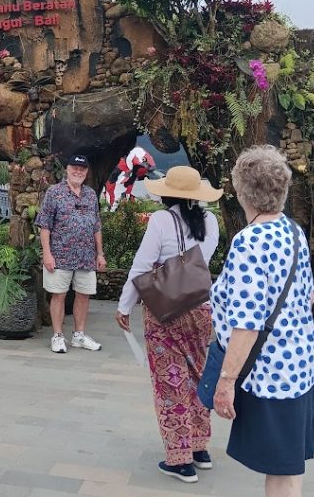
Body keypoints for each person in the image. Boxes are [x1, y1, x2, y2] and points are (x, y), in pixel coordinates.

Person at [211, 145, 314, 497]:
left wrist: (226, 381)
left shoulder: (248, 242)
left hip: (271, 375)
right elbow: (309, 298)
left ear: (242, 192)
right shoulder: (294, 231)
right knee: (287, 469)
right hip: (301, 366)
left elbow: (247, 322)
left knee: (282, 473)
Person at [114, 166, 222, 484]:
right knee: (197, 377)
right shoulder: (210, 221)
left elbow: (143, 266)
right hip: (202, 307)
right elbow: (199, 262)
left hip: (166, 310)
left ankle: (180, 459)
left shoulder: (162, 220)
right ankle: (200, 449)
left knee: (169, 382)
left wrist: (124, 305)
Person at [35, 153, 106, 353]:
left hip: (86, 257)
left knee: (84, 295)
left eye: (82, 169)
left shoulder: (91, 194)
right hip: (60, 255)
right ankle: (57, 336)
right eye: (74, 168)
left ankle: (79, 336)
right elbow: (44, 225)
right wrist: (47, 254)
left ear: (86, 172)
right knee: (58, 295)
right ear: (67, 170)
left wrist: (100, 253)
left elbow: (96, 225)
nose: (78, 171)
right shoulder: (54, 193)